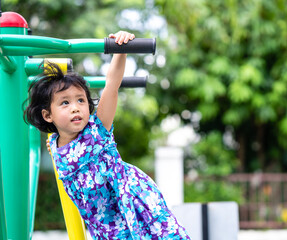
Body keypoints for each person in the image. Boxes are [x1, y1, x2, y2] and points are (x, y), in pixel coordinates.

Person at [24, 31, 191, 240]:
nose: (76, 108)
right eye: (65, 103)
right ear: (48, 115)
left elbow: (111, 85)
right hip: (104, 224)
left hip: (131, 204)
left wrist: (120, 51)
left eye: (81, 100)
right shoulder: (53, 143)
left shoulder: (97, 130)